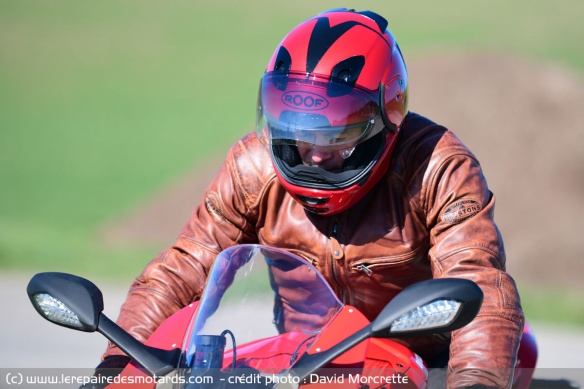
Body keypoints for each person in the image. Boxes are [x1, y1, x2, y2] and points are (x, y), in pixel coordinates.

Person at [95, 8, 527, 388]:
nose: (316, 153)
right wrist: (115, 369)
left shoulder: (438, 167)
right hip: (300, 364)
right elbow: (184, 268)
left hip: (419, 361)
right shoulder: (253, 166)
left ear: (386, 117)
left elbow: (479, 285)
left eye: (337, 134)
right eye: (300, 132)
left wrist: (475, 381)